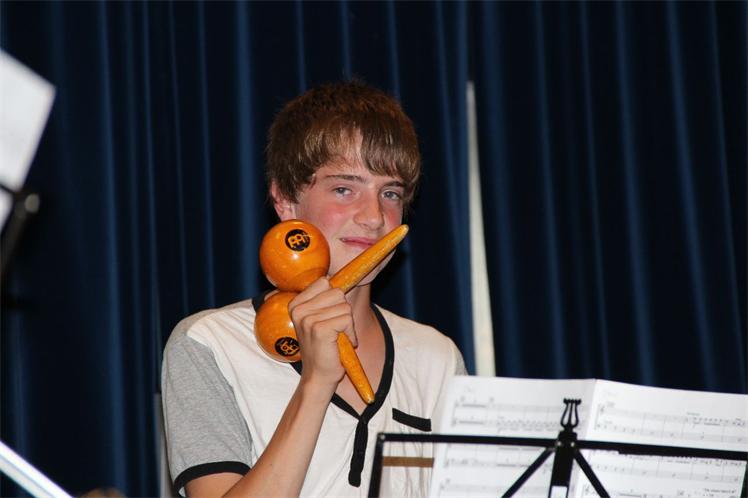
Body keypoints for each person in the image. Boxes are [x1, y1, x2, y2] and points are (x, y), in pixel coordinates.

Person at [161, 80, 466, 498]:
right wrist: (317, 382)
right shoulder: (210, 343)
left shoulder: (437, 357)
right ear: (286, 201)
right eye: (344, 189)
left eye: (390, 193)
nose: (374, 217)